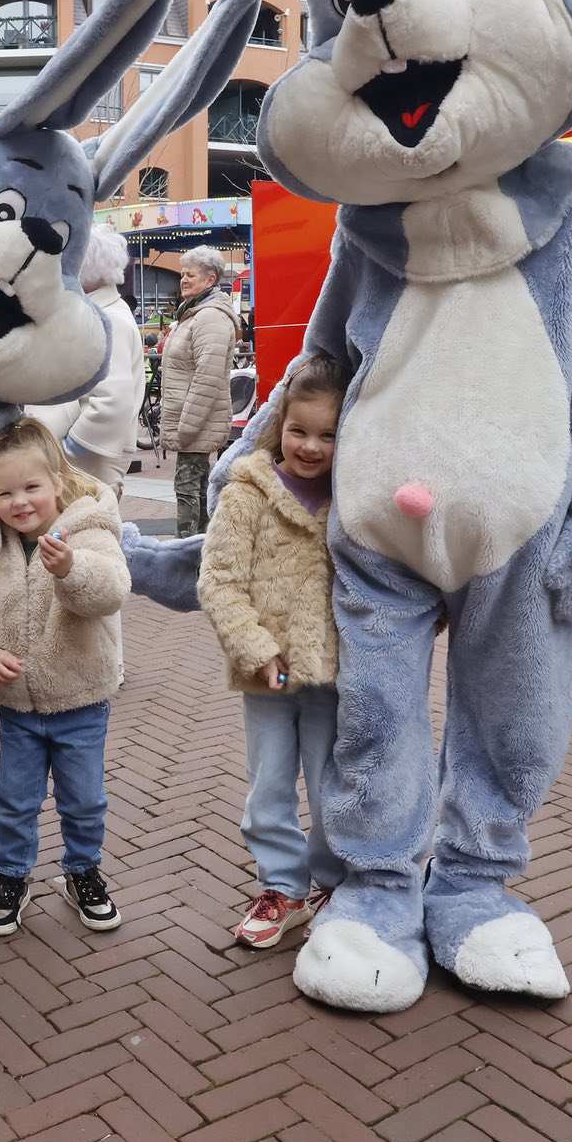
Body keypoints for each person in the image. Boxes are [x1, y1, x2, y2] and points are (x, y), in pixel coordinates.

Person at [198, 354, 348, 948]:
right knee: (270, 783)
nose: (310, 446)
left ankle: (334, 883)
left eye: (329, 434)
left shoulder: (351, 499)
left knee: (332, 781)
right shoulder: (249, 493)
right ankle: (281, 885)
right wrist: (256, 648)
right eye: (299, 430)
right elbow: (219, 578)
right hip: (269, 674)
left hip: (335, 671)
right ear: (277, 425)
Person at [0, 418, 129, 938]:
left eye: (31, 487)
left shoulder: (88, 528)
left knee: (83, 798)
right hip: (19, 706)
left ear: (57, 481)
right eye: (4, 492)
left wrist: (71, 570)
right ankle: (13, 876)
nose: (19, 502)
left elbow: (111, 591)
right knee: (13, 797)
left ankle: (82, 872)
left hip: (81, 700)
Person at [29, 225, 146, 493]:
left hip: (89, 459)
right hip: (87, 455)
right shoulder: (105, 312)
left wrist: (71, 447)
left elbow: (112, 399)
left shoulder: (109, 319)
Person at [160, 246, 240, 536]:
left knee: (188, 490)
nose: (183, 279)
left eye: (190, 274)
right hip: (192, 422)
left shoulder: (209, 317)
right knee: (197, 488)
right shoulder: (194, 314)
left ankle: (188, 551)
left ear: (210, 279)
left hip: (195, 424)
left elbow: (207, 377)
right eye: (182, 273)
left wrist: (187, 427)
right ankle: (200, 550)